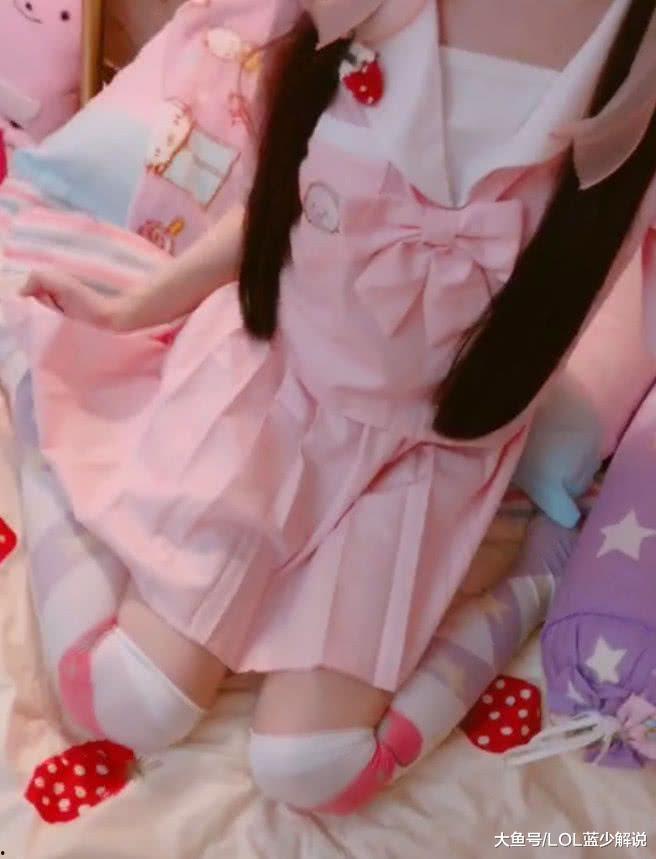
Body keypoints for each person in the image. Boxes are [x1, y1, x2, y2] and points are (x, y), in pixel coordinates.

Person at [2, 0, 656, 813]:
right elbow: (280, 211)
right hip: (270, 390)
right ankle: (43, 419)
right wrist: (136, 307)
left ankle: (532, 579)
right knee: (133, 701)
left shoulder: (637, 68)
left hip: (426, 458)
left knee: (311, 767)